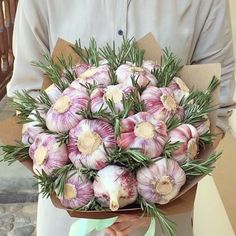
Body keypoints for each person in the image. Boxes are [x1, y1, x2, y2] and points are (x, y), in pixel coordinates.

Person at [7, 0, 235, 235]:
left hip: (161, 210)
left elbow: (217, 102)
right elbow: (27, 95)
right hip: (70, 211)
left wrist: (149, 202)